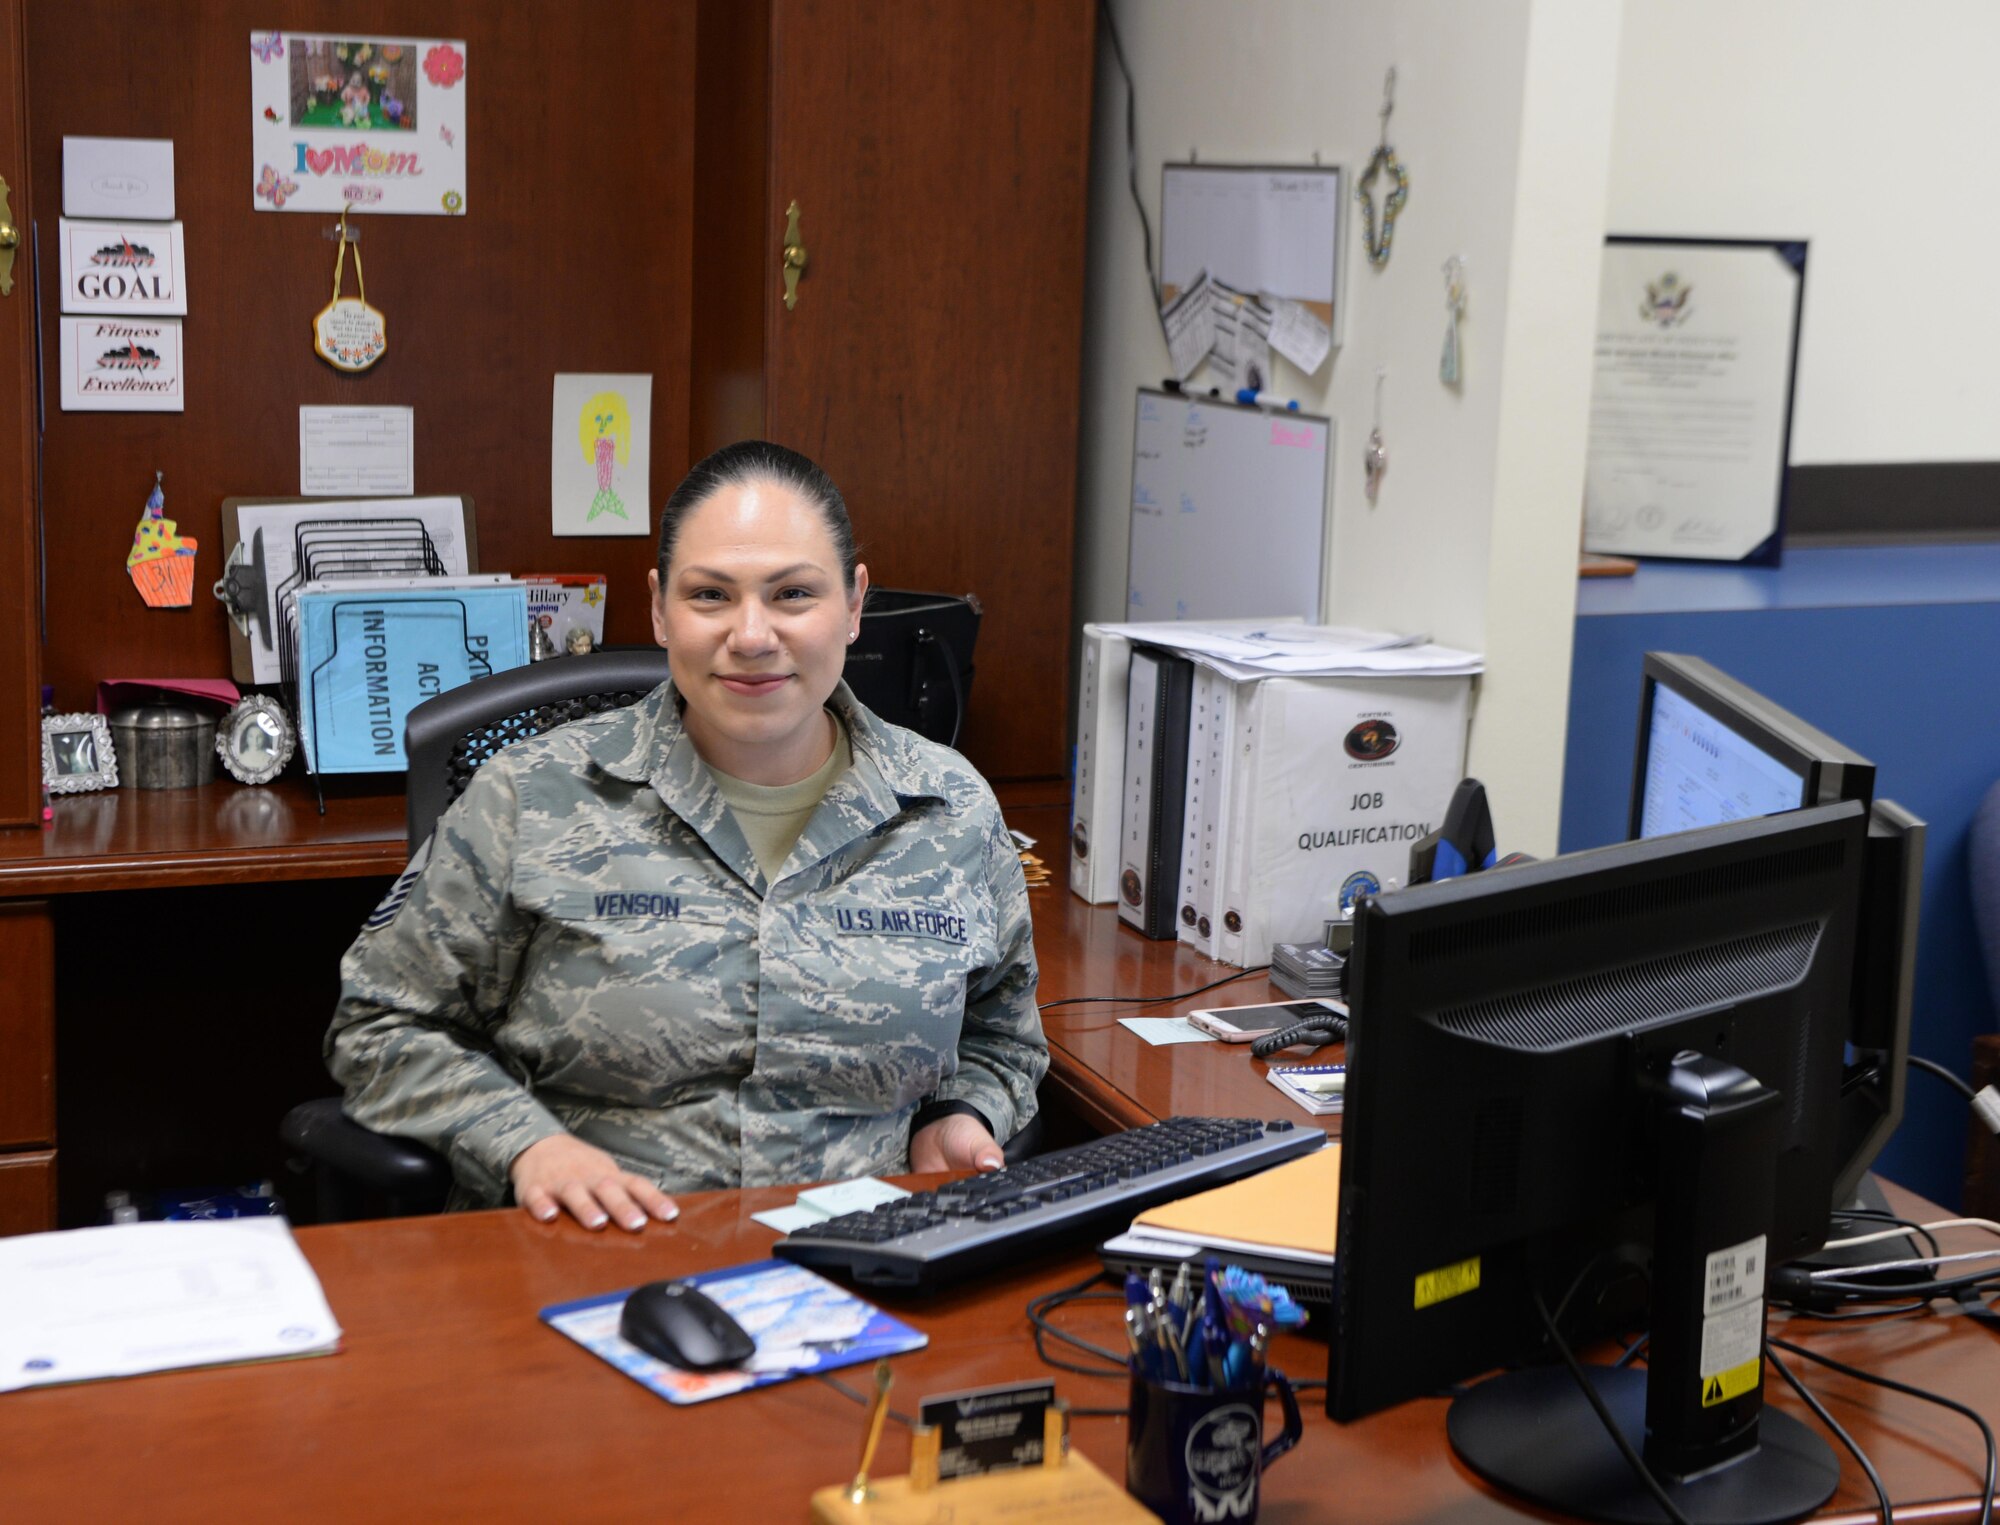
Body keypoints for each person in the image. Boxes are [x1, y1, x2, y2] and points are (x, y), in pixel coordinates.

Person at [326, 442, 1045, 1231]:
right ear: (661, 609)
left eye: (793, 593)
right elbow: (382, 1024)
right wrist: (524, 1145)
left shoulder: (949, 810)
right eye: (711, 595)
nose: (752, 633)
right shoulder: (530, 798)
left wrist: (962, 1113)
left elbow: (1000, 1039)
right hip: (591, 1261)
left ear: (854, 603)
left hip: (867, 1264)